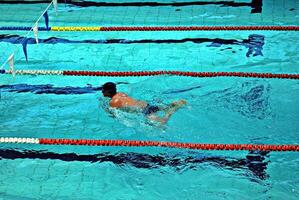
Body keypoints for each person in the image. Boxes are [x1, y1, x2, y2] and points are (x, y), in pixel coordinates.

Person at [101, 82, 186, 124]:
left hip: (143, 110)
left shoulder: (113, 102)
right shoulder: (121, 93)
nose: (102, 92)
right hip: (145, 104)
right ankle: (176, 104)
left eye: (103, 90)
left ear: (108, 92)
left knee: (161, 122)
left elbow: (114, 115)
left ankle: (169, 112)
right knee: (165, 107)